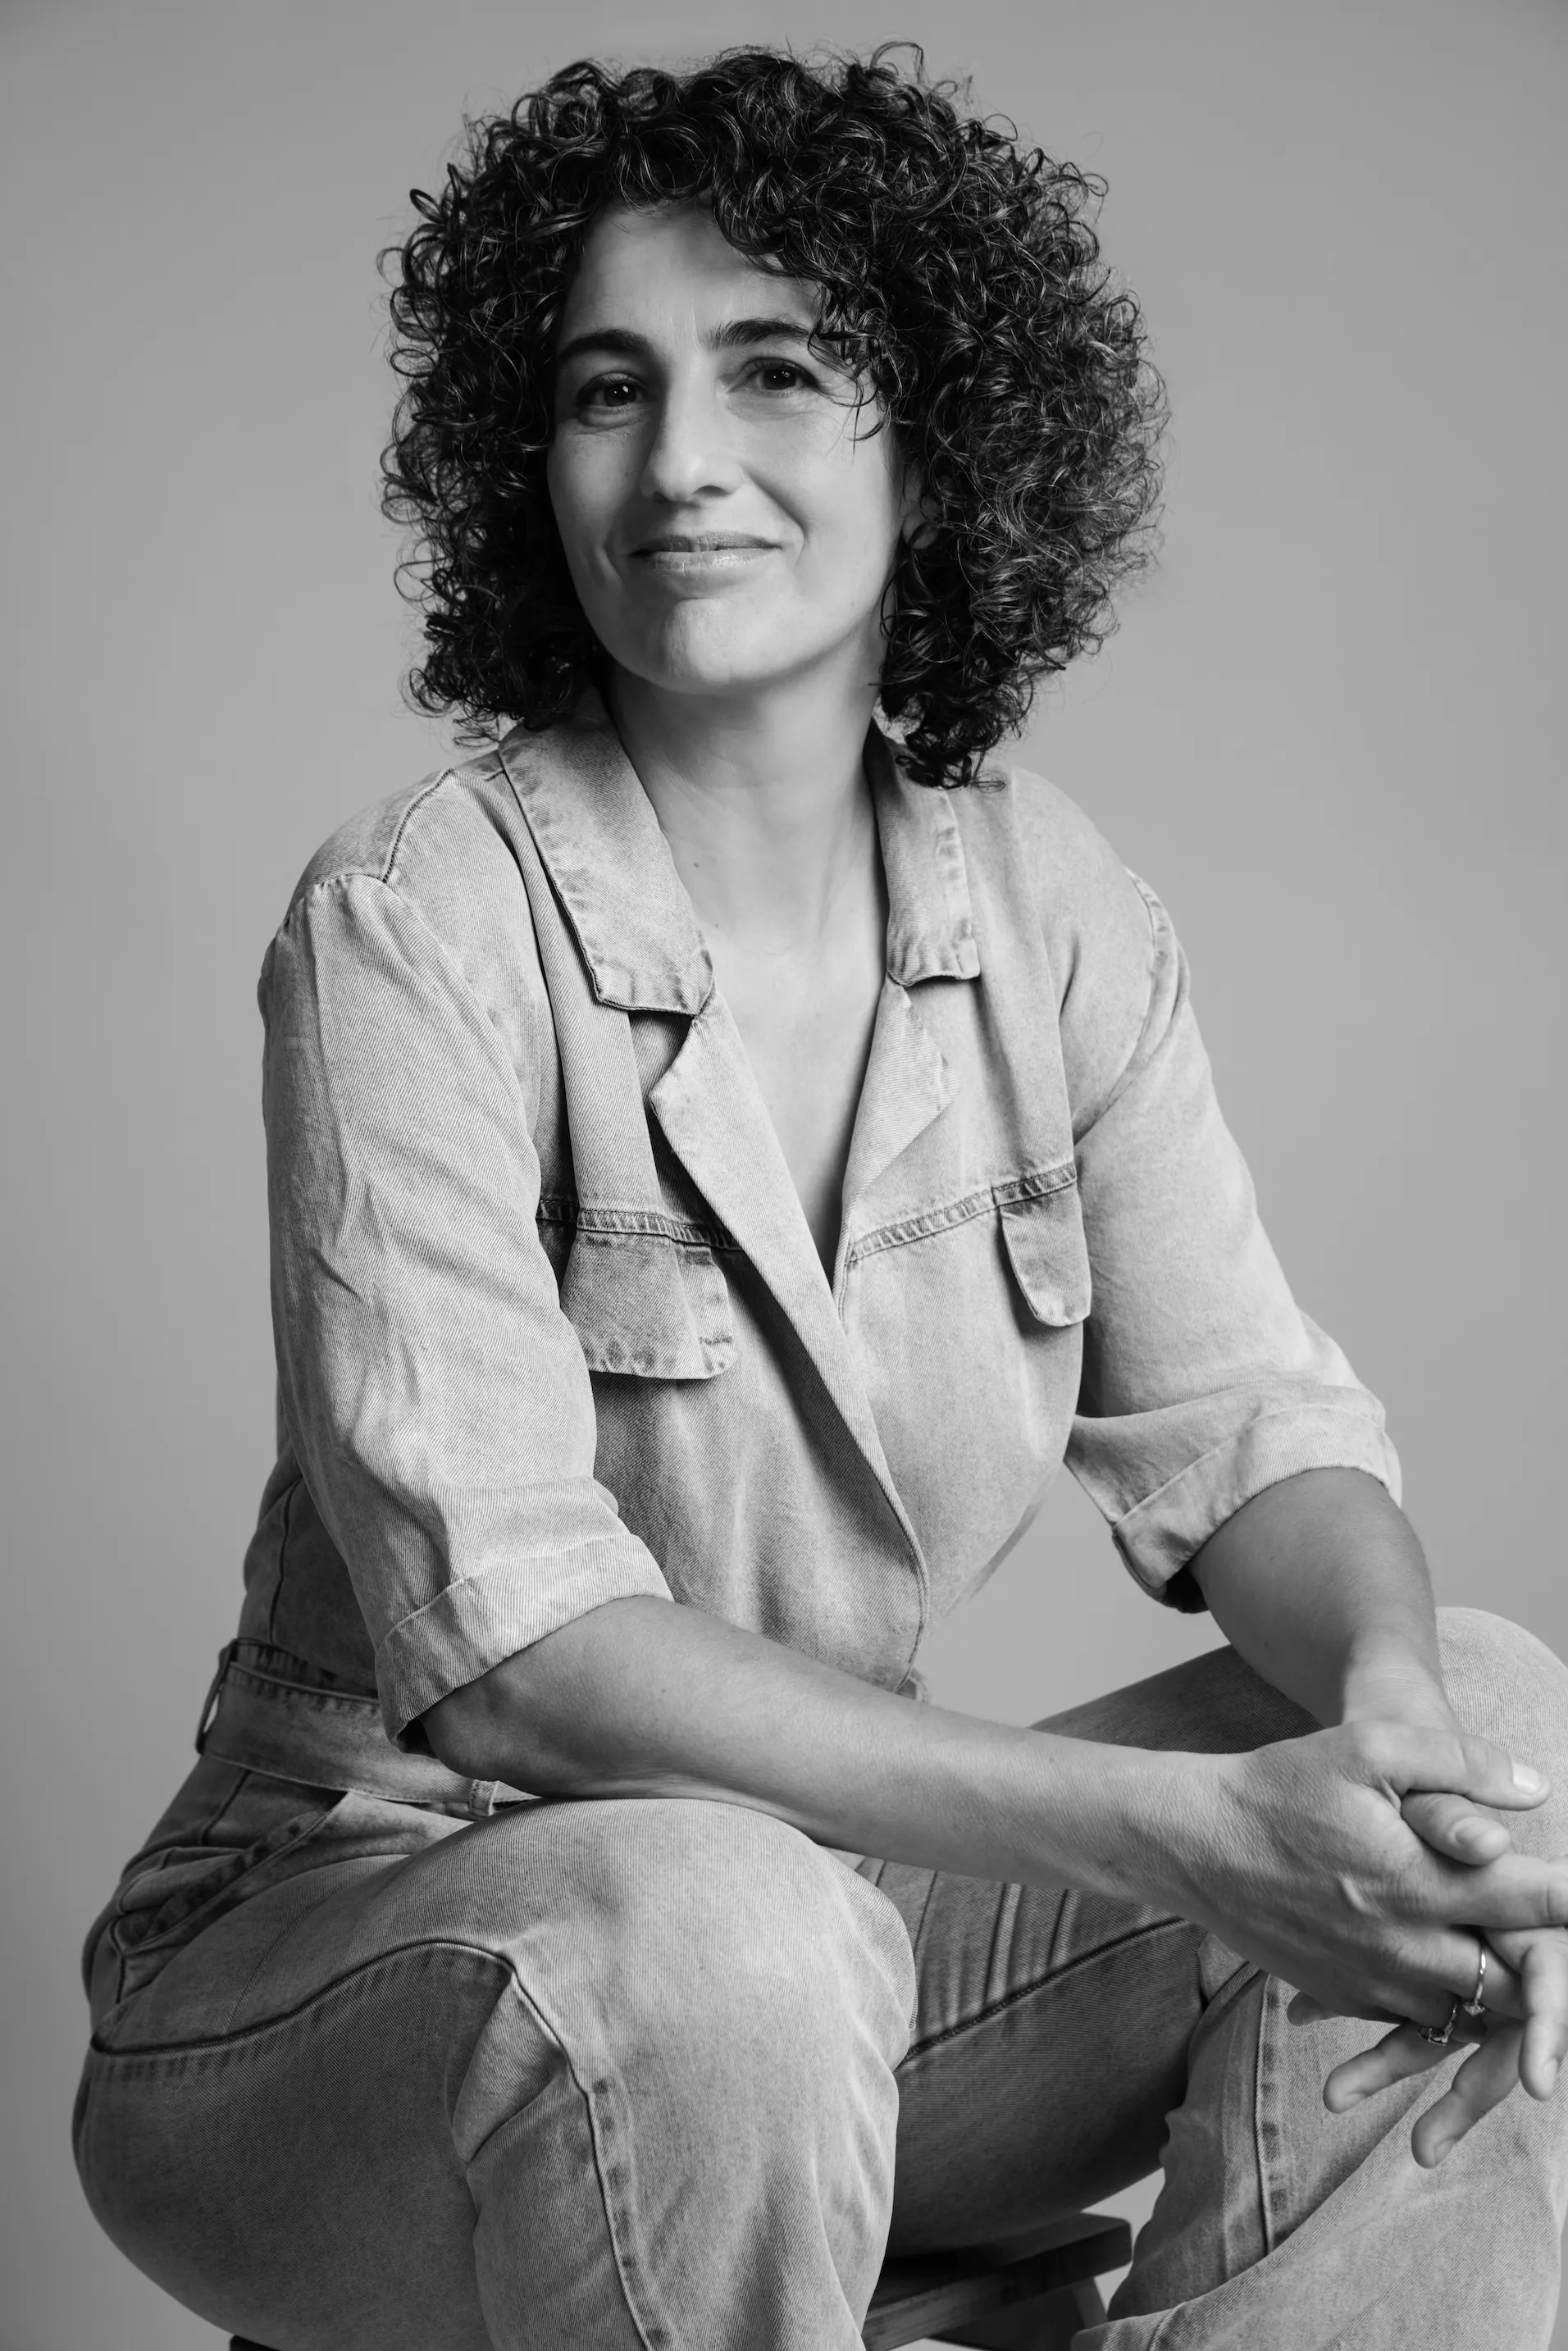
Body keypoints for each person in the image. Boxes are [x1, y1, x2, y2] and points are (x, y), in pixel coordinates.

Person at [73, 47, 1568, 2350]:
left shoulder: (1054, 908)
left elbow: (1261, 1432)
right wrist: (1189, 1841)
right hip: (340, 1987)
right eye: (608, 390)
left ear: (934, 447)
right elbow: (520, 1664)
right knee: (712, 1928)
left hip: (829, 1960)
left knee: (1487, 1715)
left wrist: (1385, 1729)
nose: (680, 459)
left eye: (772, 370)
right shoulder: (418, 921)